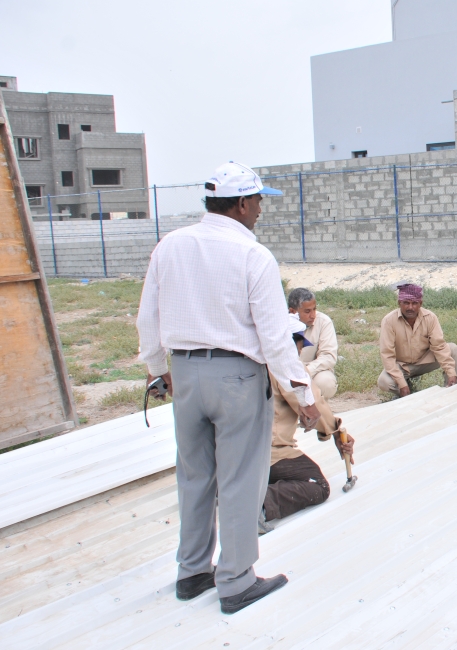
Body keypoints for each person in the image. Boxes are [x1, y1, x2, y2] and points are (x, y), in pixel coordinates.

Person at [137, 161, 319, 614]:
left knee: (194, 476)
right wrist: (305, 398)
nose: (260, 210)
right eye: (258, 201)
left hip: (187, 376)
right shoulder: (252, 256)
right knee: (240, 481)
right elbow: (276, 339)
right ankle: (236, 581)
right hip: (237, 378)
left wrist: (160, 370)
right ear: (241, 204)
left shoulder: (171, 246)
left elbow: (148, 319)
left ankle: (193, 572)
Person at [260, 314, 353, 534]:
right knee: (318, 485)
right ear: (293, 342)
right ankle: (258, 504)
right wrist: (337, 430)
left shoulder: (250, 361)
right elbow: (314, 406)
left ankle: (233, 487)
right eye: (301, 342)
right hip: (269, 452)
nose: (301, 350)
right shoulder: (286, 366)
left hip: (232, 455)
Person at [377, 283, 457, 397]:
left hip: (425, 361)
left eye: (414, 303)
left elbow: (439, 346)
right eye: (406, 303)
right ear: (399, 303)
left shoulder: (430, 318)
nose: (410, 307)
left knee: (452, 349)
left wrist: (451, 373)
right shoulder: (389, 321)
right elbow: (387, 355)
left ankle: (451, 390)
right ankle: (408, 392)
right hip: (402, 366)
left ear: (420, 304)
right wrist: (401, 384)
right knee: (384, 382)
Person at [288, 287, 339, 399]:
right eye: (307, 311)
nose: (313, 315)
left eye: (314, 309)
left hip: (313, 370)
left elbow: (328, 356)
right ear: (292, 311)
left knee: (327, 383)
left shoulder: (323, 321)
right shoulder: (280, 323)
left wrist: (306, 371)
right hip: (286, 372)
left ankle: (317, 407)